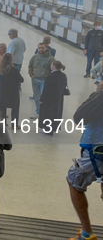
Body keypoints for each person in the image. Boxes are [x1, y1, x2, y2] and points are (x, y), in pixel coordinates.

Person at [67, 82, 103, 240]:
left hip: (97, 147)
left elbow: (80, 116)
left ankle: (87, 233)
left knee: (74, 180)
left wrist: (98, 93)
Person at [37, 60, 68, 135]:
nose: (50, 66)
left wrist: (42, 99)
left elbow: (46, 89)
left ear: (54, 66)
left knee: (47, 114)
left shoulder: (50, 77)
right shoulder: (63, 76)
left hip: (49, 99)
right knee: (56, 113)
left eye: (51, 64)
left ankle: (47, 129)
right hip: (58, 98)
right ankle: (54, 127)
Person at [0, 53, 24, 127]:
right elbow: (21, 79)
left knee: (2, 108)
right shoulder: (13, 70)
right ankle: (14, 125)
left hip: (1, 91)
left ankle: (3, 123)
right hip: (12, 92)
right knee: (15, 108)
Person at [28, 42, 54, 119]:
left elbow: (53, 69)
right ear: (37, 48)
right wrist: (31, 74)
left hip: (44, 81)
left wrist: (49, 78)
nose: (41, 49)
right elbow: (30, 66)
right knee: (37, 97)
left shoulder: (50, 59)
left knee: (43, 98)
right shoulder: (34, 57)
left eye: (43, 48)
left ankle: (44, 113)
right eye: (39, 48)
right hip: (35, 80)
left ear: (46, 48)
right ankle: (38, 112)